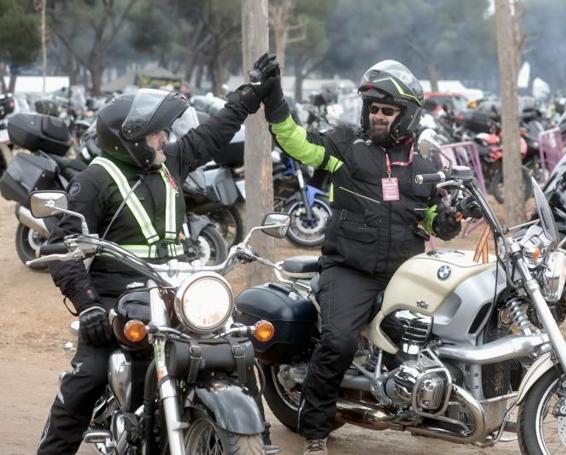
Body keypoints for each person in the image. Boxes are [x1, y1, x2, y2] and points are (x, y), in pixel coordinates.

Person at [36, 78, 275, 454]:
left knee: (236, 348)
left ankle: (251, 435)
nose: (165, 138)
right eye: (156, 134)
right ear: (131, 139)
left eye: (164, 132)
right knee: (88, 377)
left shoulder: (169, 164)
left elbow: (210, 136)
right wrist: (90, 305)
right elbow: (61, 249)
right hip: (117, 298)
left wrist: (245, 99)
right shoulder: (93, 181)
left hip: (175, 292)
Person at [251, 54, 462, 455]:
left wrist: (449, 220)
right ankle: (314, 429)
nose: (378, 116)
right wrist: (274, 97)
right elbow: (297, 141)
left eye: (387, 110)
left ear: (406, 115)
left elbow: (435, 220)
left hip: (405, 271)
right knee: (339, 341)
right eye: (373, 109)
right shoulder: (346, 146)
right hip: (350, 269)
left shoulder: (424, 164)